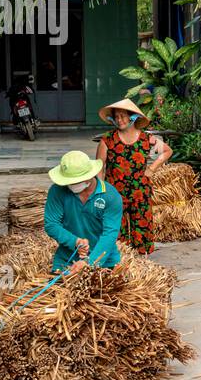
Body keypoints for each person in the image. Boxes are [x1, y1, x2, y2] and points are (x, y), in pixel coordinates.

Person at [95, 98, 171, 255]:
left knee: (142, 231)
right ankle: (121, 262)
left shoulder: (146, 138)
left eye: (123, 115)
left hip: (140, 191)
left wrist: (152, 168)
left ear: (132, 117)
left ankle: (142, 264)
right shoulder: (107, 140)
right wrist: (101, 189)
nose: (119, 120)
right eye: (116, 116)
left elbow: (167, 151)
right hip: (115, 193)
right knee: (116, 232)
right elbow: (99, 167)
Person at [43, 150, 123, 273]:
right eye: (68, 181)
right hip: (67, 260)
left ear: (89, 177)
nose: (70, 185)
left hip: (105, 260)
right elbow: (51, 224)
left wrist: (89, 262)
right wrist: (75, 241)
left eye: (75, 182)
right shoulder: (57, 191)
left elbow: (110, 233)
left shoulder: (110, 195)